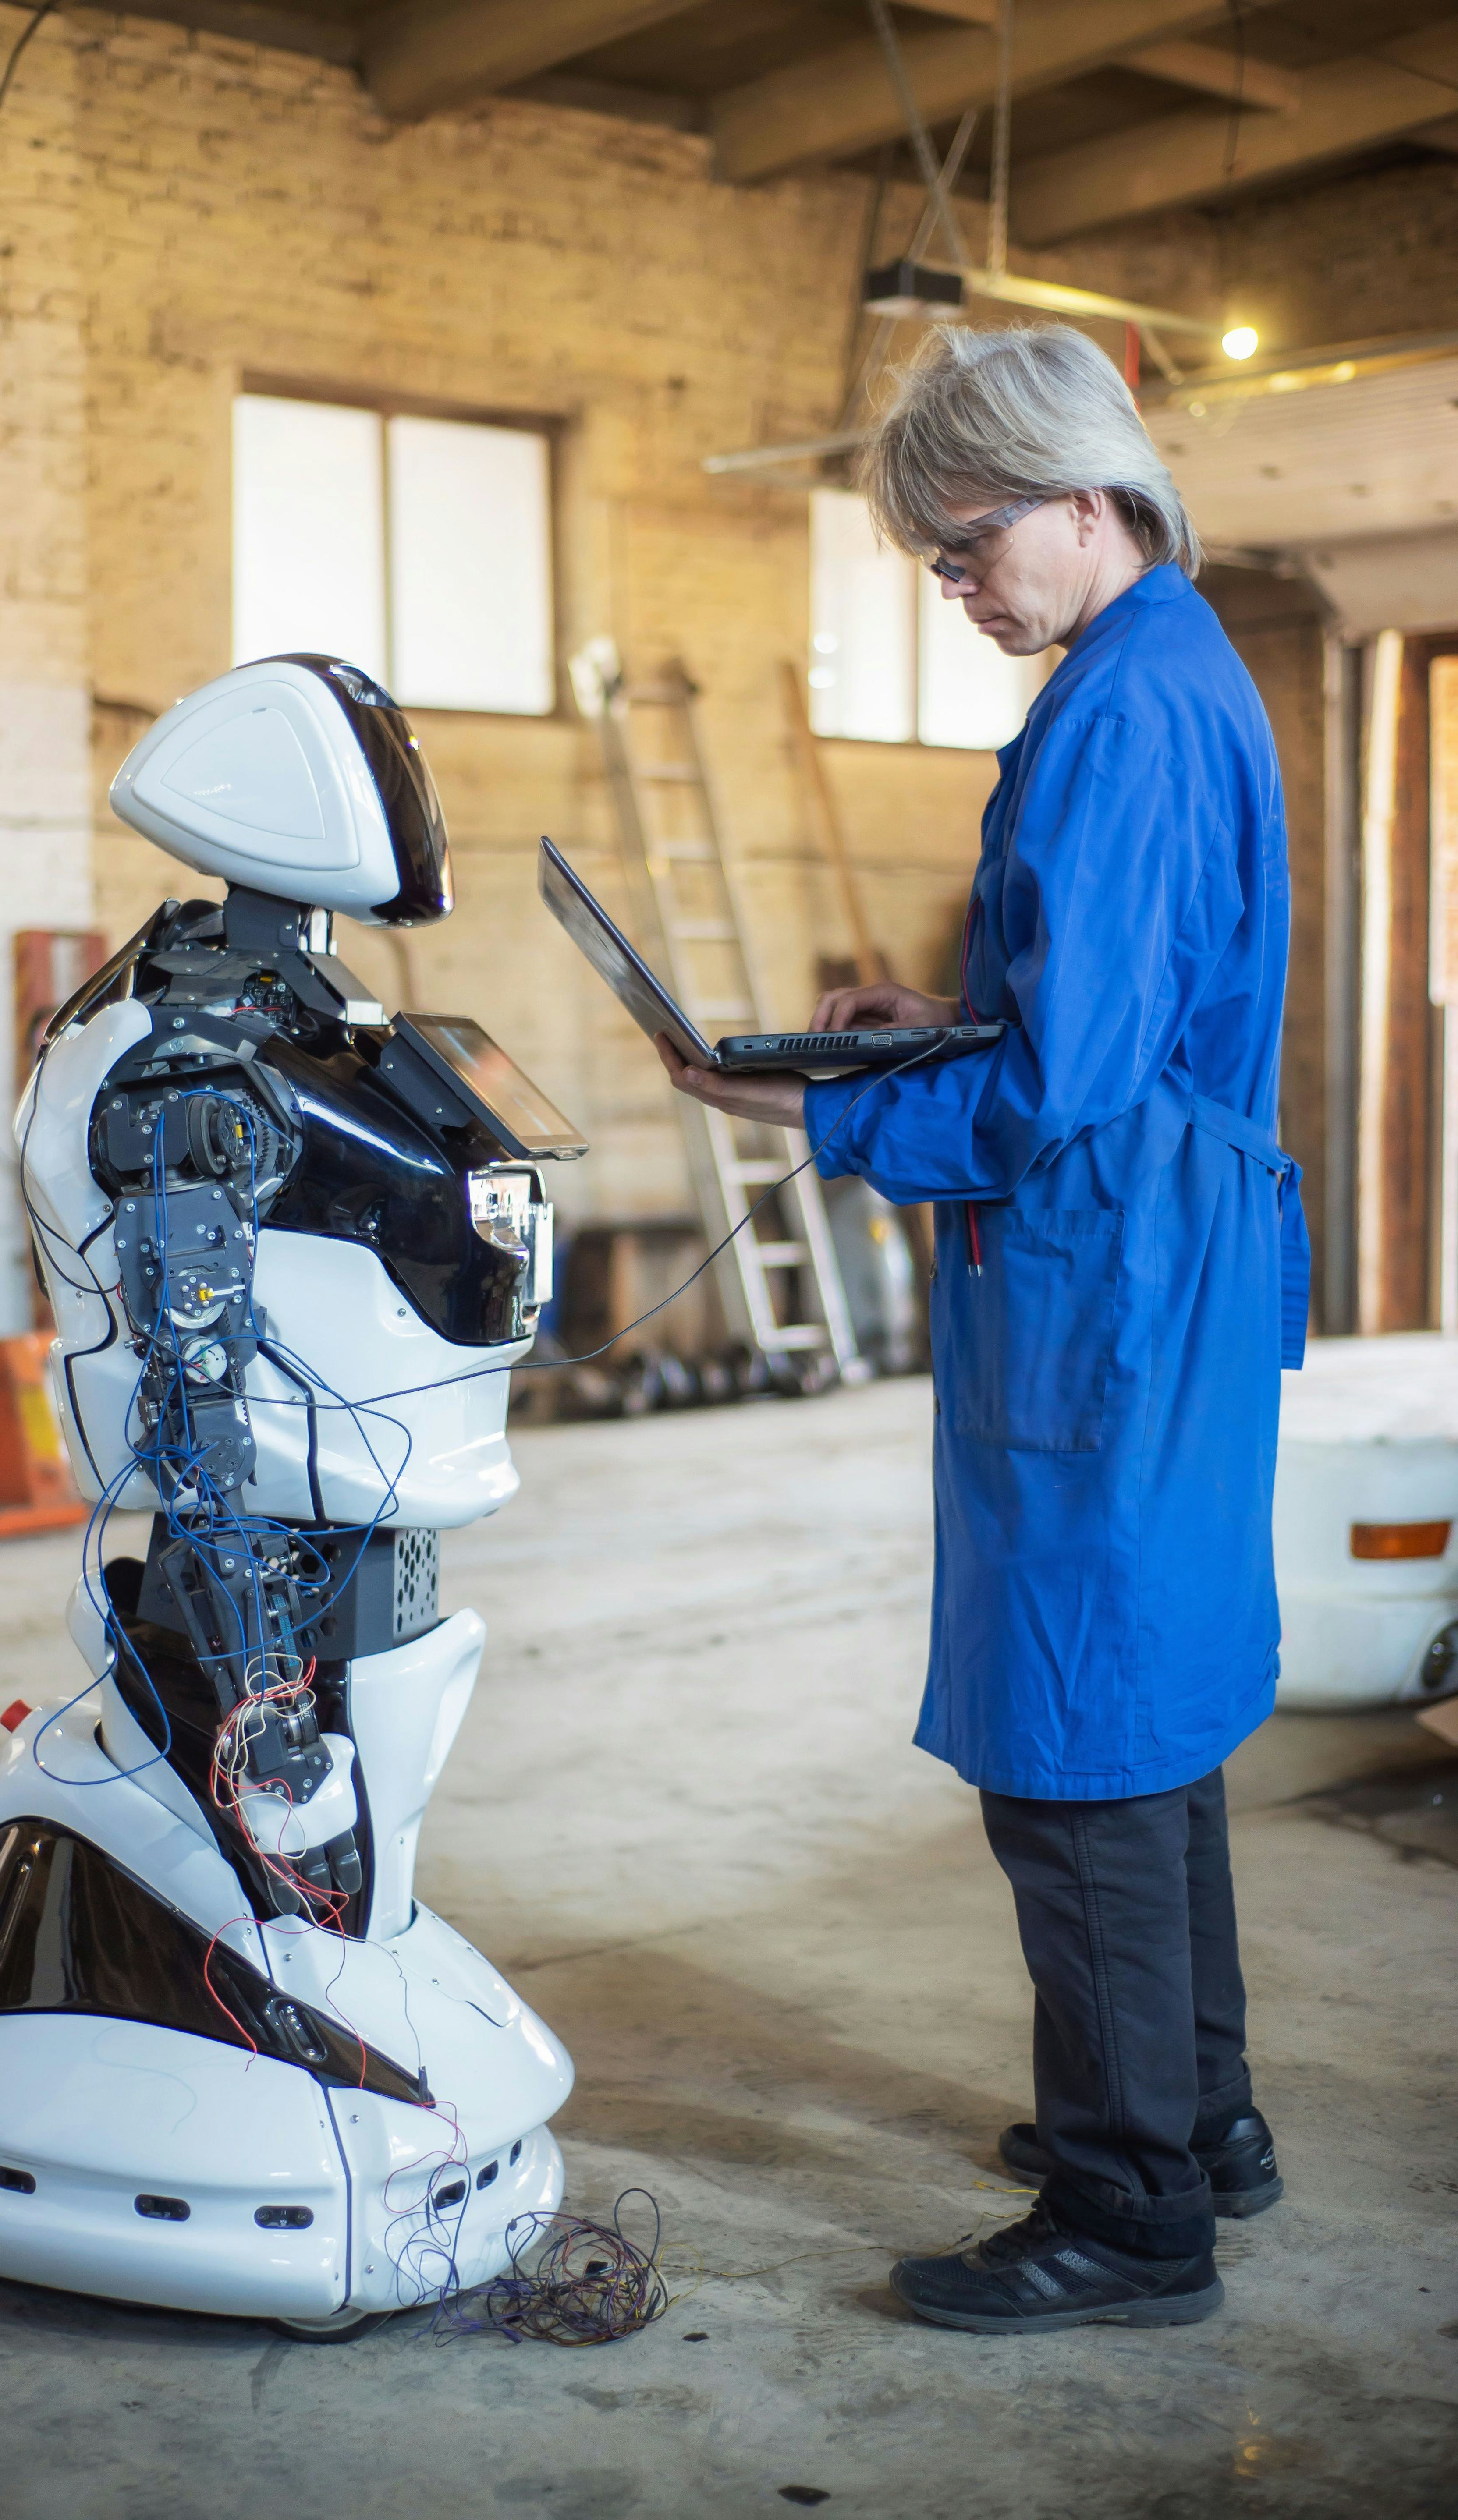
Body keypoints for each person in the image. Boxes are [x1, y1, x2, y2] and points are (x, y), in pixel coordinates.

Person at [658, 324, 1306, 2336]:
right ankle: (1199, 2120)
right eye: (933, 558)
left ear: (1090, 498)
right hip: (1161, 1257)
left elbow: (1062, 1094)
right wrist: (912, 1026)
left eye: (966, 545)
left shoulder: (1124, 715)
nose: (954, 586)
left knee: (1084, 1745)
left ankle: (1131, 2216)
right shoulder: (1158, 666)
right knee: (1157, 1712)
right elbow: (1079, 1016)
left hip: (1112, 1269)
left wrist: (809, 1099)